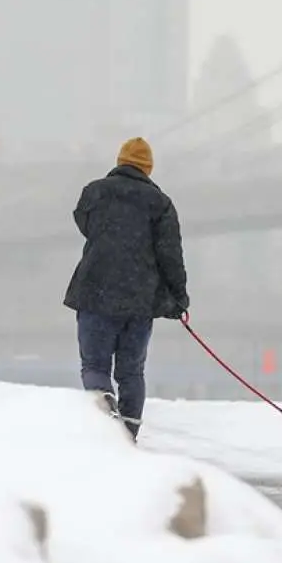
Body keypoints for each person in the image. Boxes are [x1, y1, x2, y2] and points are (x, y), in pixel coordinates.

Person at [63, 136, 190, 440]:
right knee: (131, 372)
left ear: (119, 162)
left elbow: (85, 224)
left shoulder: (94, 193)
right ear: (148, 168)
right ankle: (128, 434)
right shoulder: (160, 204)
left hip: (95, 293)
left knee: (94, 366)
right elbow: (171, 255)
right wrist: (178, 298)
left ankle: (103, 410)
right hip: (139, 300)